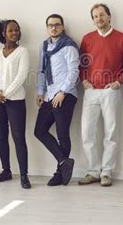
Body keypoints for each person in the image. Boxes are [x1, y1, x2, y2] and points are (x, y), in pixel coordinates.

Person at [78, 3, 123, 187]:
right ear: (92, 19)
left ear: (109, 17)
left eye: (102, 15)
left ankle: (107, 172)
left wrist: (118, 82)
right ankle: (93, 171)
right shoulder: (87, 39)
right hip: (91, 91)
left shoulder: (122, 38)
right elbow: (81, 64)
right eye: (95, 16)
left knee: (110, 132)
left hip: (111, 91)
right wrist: (84, 80)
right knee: (87, 132)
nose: (99, 19)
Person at [34, 14, 79, 186]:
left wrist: (62, 92)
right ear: (47, 28)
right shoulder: (44, 45)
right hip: (49, 95)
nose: (53, 28)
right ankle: (64, 161)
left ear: (62, 27)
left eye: (57, 25)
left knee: (62, 134)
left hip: (65, 95)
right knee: (39, 130)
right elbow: (41, 70)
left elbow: (74, 72)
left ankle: (60, 174)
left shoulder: (68, 45)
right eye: (50, 25)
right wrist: (40, 92)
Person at [0, 19, 31, 189]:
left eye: (17, 30)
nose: (14, 33)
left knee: (19, 138)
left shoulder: (23, 52)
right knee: (1, 137)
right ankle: (6, 170)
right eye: (11, 30)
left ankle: (24, 176)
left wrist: (4, 94)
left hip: (16, 101)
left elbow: (21, 77)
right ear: (3, 33)